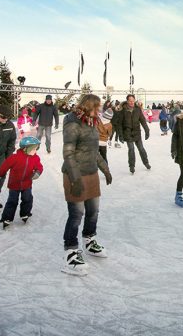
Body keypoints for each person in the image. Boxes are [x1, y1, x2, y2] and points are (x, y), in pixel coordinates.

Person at [61, 94, 112, 276]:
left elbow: (94, 150)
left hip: (91, 173)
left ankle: (89, 241)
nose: (99, 110)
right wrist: (75, 179)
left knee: (93, 211)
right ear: (89, 106)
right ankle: (71, 251)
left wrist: (105, 169)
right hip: (75, 173)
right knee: (76, 213)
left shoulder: (91, 122)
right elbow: (68, 153)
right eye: (97, 107)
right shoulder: (73, 122)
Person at [0, 136, 44, 229]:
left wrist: (38, 172)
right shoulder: (14, 157)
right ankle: (7, 218)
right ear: (25, 149)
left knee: (27, 199)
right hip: (14, 185)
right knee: (12, 201)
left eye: (36, 148)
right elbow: (4, 166)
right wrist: (0, 174)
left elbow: (39, 166)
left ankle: (25, 213)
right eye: (33, 149)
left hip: (27, 184)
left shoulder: (35, 158)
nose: (35, 151)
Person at [120, 94, 151, 174]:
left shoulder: (137, 109)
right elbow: (119, 124)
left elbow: (143, 120)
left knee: (141, 149)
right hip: (127, 133)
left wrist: (147, 130)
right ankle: (132, 166)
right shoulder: (123, 110)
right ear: (127, 101)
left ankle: (146, 163)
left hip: (137, 132)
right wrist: (120, 135)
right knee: (131, 149)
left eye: (133, 101)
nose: (131, 102)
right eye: (130, 101)